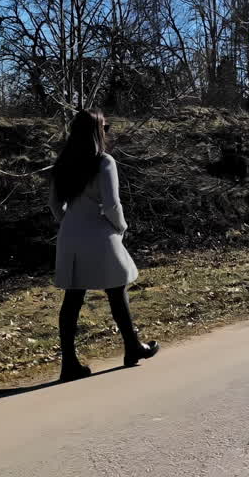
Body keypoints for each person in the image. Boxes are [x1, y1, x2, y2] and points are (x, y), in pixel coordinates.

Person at [49, 109, 159, 382]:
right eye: (105, 128)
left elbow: (54, 205)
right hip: (100, 235)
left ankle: (69, 363)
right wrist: (120, 227)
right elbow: (111, 204)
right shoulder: (104, 162)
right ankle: (132, 346)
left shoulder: (61, 163)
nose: (107, 132)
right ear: (97, 131)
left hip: (70, 235)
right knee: (116, 289)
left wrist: (70, 222)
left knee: (73, 298)